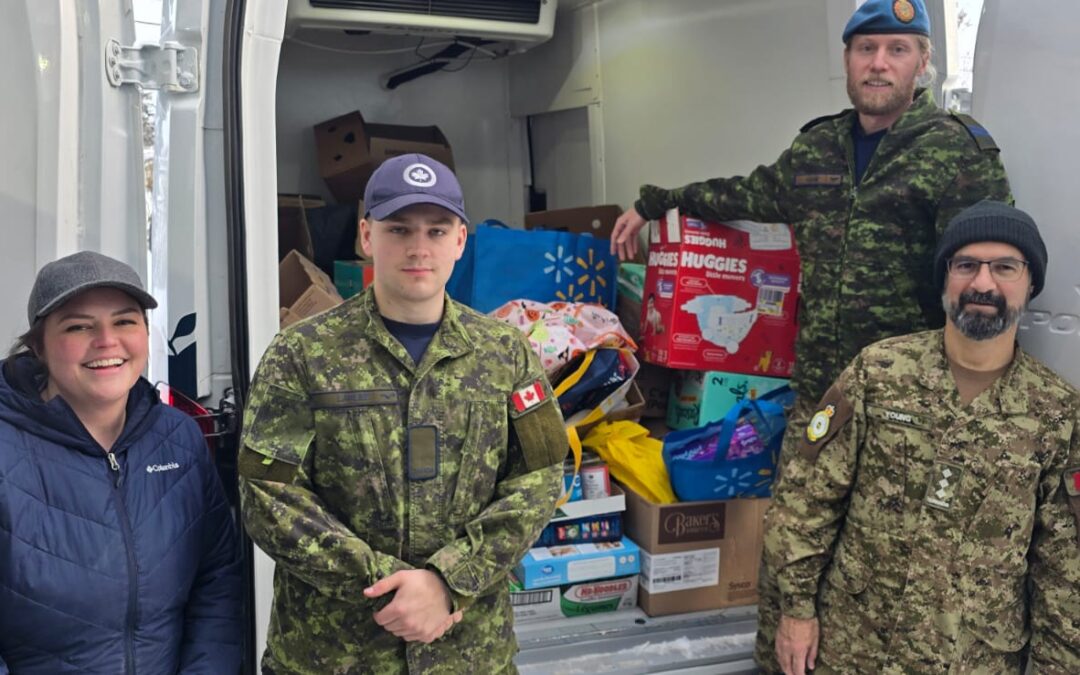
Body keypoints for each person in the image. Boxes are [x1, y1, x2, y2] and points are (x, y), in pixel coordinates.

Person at [610, 1, 1011, 668]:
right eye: (865, 50)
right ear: (848, 61)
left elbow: (990, 271)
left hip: (909, 410)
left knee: (887, 577)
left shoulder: (956, 151)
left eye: (896, 49)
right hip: (820, 402)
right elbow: (747, 192)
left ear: (922, 63)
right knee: (792, 562)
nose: (878, 63)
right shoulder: (817, 147)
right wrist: (657, 199)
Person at [239, 153, 568, 673]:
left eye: (437, 231)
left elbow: (543, 476)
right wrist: (385, 589)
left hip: (468, 655)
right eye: (399, 229)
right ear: (366, 237)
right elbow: (268, 495)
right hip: (333, 656)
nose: (419, 248)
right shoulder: (302, 354)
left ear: (461, 241)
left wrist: (448, 581)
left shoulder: (505, 354)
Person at [764, 201, 1080, 675]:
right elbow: (806, 500)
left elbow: (1064, 567)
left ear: (1030, 283)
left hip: (973, 661)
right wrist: (795, 611)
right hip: (854, 647)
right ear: (945, 277)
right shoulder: (879, 372)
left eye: (1005, 267)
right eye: (966, 265)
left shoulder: (1057, 412)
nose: (983, 283)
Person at [0, 251, 243, 674]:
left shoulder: (179, 440)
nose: (107, 341)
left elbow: (216, 580)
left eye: (125, 321)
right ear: (38, 346)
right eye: (79, 326)